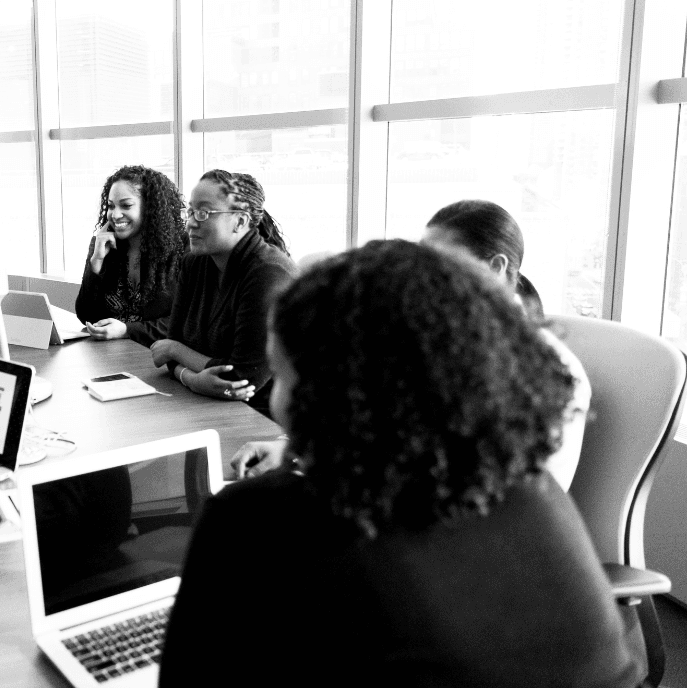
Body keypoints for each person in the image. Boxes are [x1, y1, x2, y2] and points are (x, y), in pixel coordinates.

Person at [160, 240, 643, 686]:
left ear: (330, 395)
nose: (278, 400)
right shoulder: (534, 490)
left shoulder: (254, 517)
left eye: (282, 376)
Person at [420, 199, 589, 490]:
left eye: (443, 265)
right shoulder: (447, 341)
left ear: (495, 267)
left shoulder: (546, 370)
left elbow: (526, 495)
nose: (426, 278)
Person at [149, 169, 296, 412]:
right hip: (207, 405)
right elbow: (167, 352)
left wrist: (178, 353)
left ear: (240, 221)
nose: (191, 223)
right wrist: (192, 378)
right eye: (191, 211)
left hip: (268, 418)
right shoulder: (194, 263)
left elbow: (241, 380)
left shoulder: (267, 273)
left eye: (204, 213)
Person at [75, 165, 187, 345]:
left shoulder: (180, 249)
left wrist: (127, 330)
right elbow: (86, 316)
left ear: (150, 207)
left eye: (126, 205)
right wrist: (96, 262)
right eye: (111, 206)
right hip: (110, 355)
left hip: (155, 355)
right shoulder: (105, 244)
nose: (115, 214)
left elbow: (184, 322)